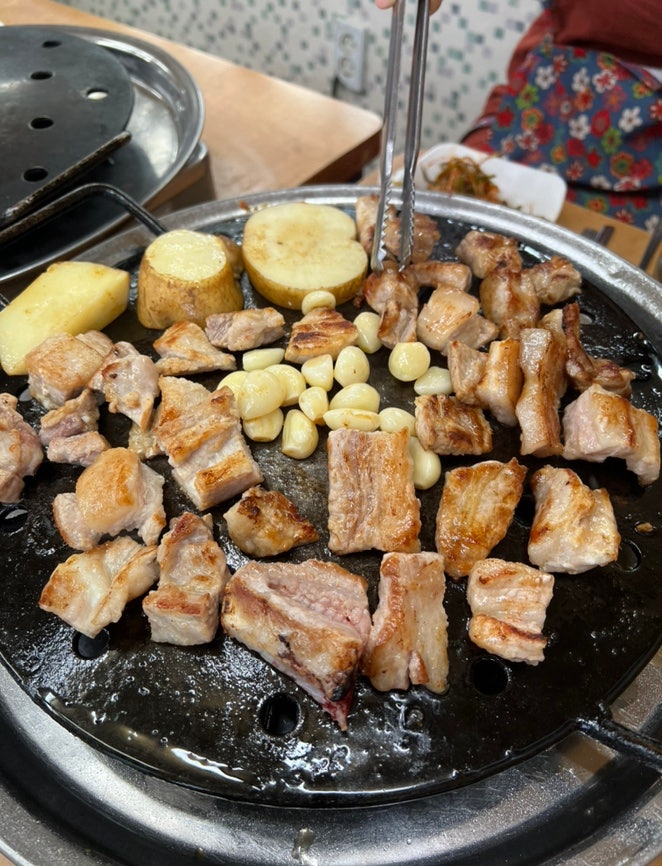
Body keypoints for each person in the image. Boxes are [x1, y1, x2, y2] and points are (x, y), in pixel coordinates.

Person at [460, 0, 662, 230]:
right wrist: (484, 136)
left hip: (636, 215)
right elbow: (523, 74)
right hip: (523, 177)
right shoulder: (562, 18)